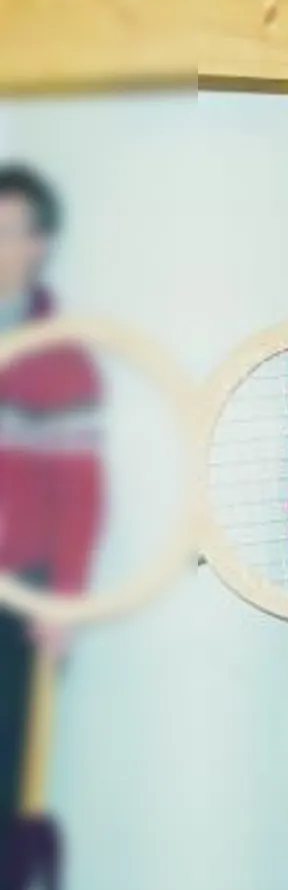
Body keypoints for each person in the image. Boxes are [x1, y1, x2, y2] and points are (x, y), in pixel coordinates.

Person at [0, 163, 103, 834]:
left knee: (9, 777)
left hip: (20, 598)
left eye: (11, 231)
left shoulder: (62, 358)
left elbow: (80, 493)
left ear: (39, 244)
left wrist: (63, 598)